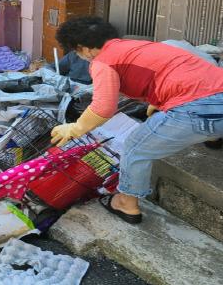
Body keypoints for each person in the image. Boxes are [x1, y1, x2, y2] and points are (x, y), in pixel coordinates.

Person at [50, 17, 223, 224]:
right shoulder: (137, 46)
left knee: (135, 147)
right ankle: (214, 136)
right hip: (214, 97)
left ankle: (126, 203)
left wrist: (76, 127)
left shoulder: (103, 61)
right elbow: (182, 71)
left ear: (84, 49)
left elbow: (103, 108)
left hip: (197, 109)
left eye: (76, 51)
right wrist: (162, 101)